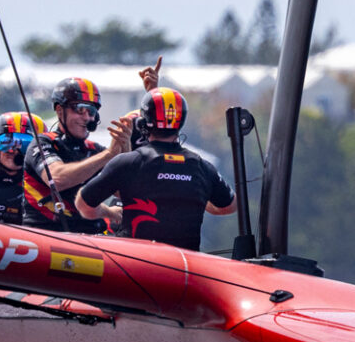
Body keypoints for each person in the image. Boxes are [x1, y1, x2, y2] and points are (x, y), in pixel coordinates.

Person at [75, 87, 236, 251]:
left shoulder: (127, 163)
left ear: (142, 124)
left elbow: (84, 205)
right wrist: (194, 196)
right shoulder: (203, 167)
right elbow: (229, 206)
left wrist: (108, 212)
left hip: (135, 264)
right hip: (185, 267)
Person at [22, 58, 165, 232]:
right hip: (44, 235)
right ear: (60, 110)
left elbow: (125, 193)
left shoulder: (94, 150)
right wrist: (109, 156)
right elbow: (57, 180)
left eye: (91, 111)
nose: (87, 117)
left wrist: (125, 151)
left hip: (90, 241)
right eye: (80, 109)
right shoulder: (43, 142)